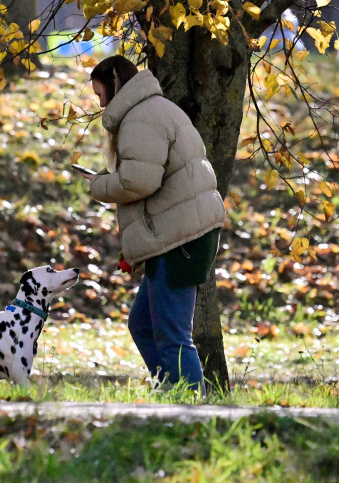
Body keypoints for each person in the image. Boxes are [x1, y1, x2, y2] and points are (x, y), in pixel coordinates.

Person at [80, 55, 226, 396]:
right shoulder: (155, 108)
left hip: (180, 238)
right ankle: (173, 392)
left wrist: (98, 185)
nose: (100, 104)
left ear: (115, 85)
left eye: (101, 94)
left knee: (173, 334)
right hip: (178, 232)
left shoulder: (140, 118)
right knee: (143, 325)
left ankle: (190, 407)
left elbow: (138, 182)